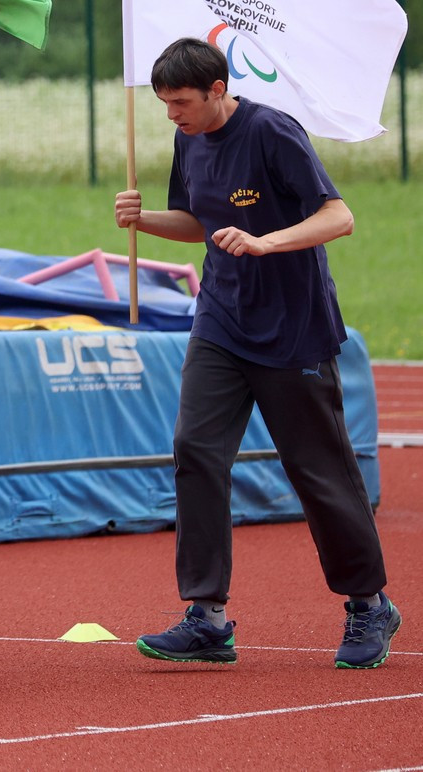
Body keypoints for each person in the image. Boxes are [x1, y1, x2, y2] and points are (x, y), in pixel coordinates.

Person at [116, 36, 400, 670]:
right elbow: (195, 220)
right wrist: (144, 220)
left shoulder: (273, 130)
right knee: (195, 448)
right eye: (163, 103)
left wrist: (268, 243)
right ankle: (207, 617)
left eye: (182, 101)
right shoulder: (187, 138)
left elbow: (338, 216)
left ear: (218, 90)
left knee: (316, 468)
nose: (172, 114)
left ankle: (367, 603)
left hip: (293, 327)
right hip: (220, 320)